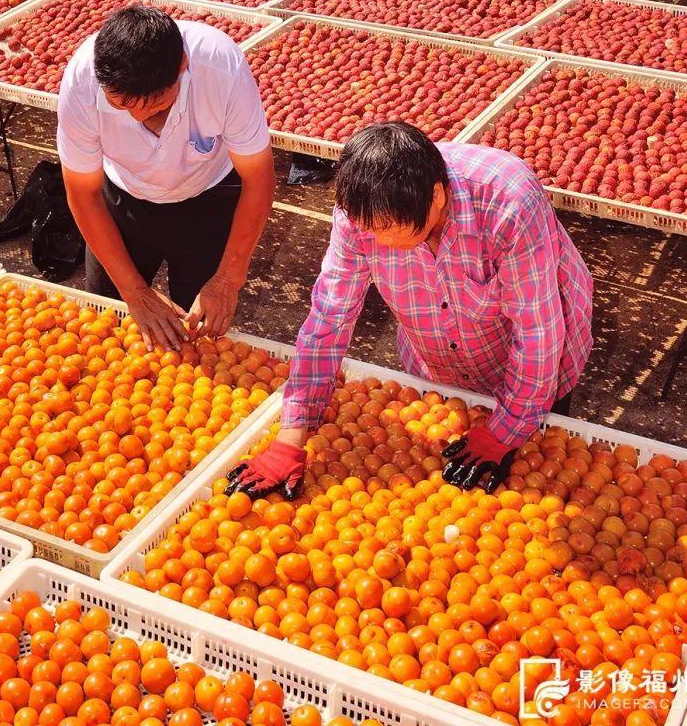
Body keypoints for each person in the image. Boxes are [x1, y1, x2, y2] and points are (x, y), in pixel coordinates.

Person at [227, 122, 593, 499]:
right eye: (370, 230)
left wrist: (506, 430)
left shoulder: (508, 203)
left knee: (536, 473)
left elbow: (537, 335)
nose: (378, 241)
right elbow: (329, 317)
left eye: (390, 230)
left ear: (436, 196)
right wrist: (292, 434)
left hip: (535, 368)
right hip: (438, 363)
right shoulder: (361, 214)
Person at [57, 5, 276, 351]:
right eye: (121, 106)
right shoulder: (82, 82)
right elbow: (82, 192)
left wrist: (228, 279)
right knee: (108, 326)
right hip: (123, 199)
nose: (139, 117)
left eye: (156, 106)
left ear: (182, 68)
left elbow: (259, 178)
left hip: (207, 198)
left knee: (200, 338)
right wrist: (134, 292)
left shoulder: (220, 67)